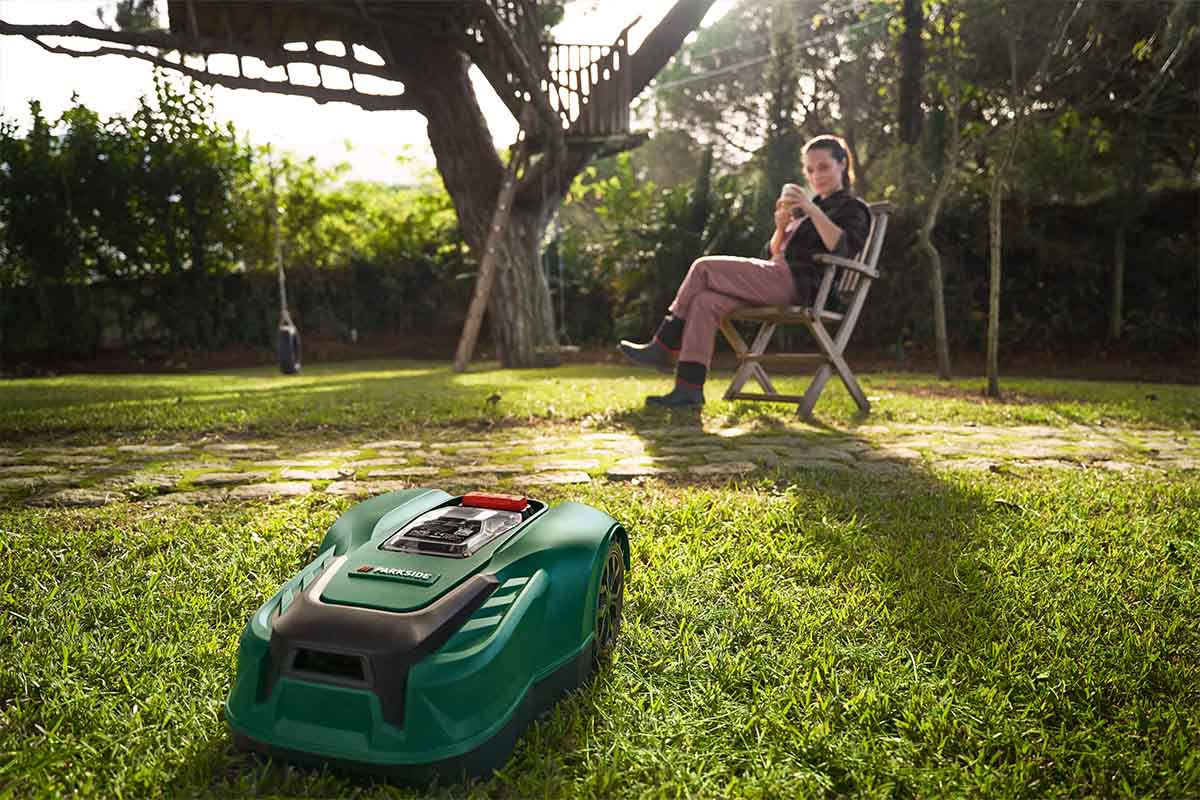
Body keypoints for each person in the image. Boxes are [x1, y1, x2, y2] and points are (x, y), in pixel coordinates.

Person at [618, 134, 872, 407]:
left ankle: (664, 344)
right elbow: (773, 253)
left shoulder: (853, 208)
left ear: (842, 164)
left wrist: (810, 209)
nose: (816, 176)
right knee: (705, 302)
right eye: (810, 170)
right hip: (776, 276)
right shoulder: (810, 210)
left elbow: (842, 247)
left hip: (800, 286)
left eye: (823, 167)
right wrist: (780, 228)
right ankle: (689, 389)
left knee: (703, 267)